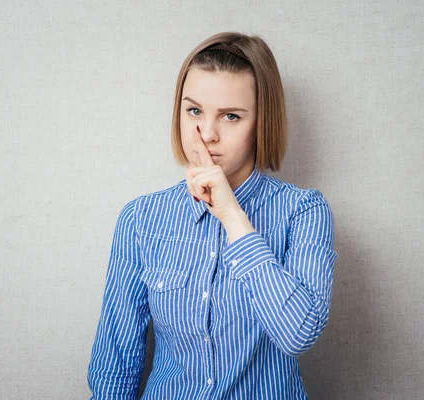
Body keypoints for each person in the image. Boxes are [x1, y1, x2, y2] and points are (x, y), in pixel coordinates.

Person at [87, 31, 338, 399]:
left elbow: (298, 332)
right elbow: (117, 359)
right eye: (194, 111)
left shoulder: (303, 211)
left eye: (231, 116)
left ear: (262, 122)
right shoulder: (141, 219)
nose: (206, 134)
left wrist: (232, 215)